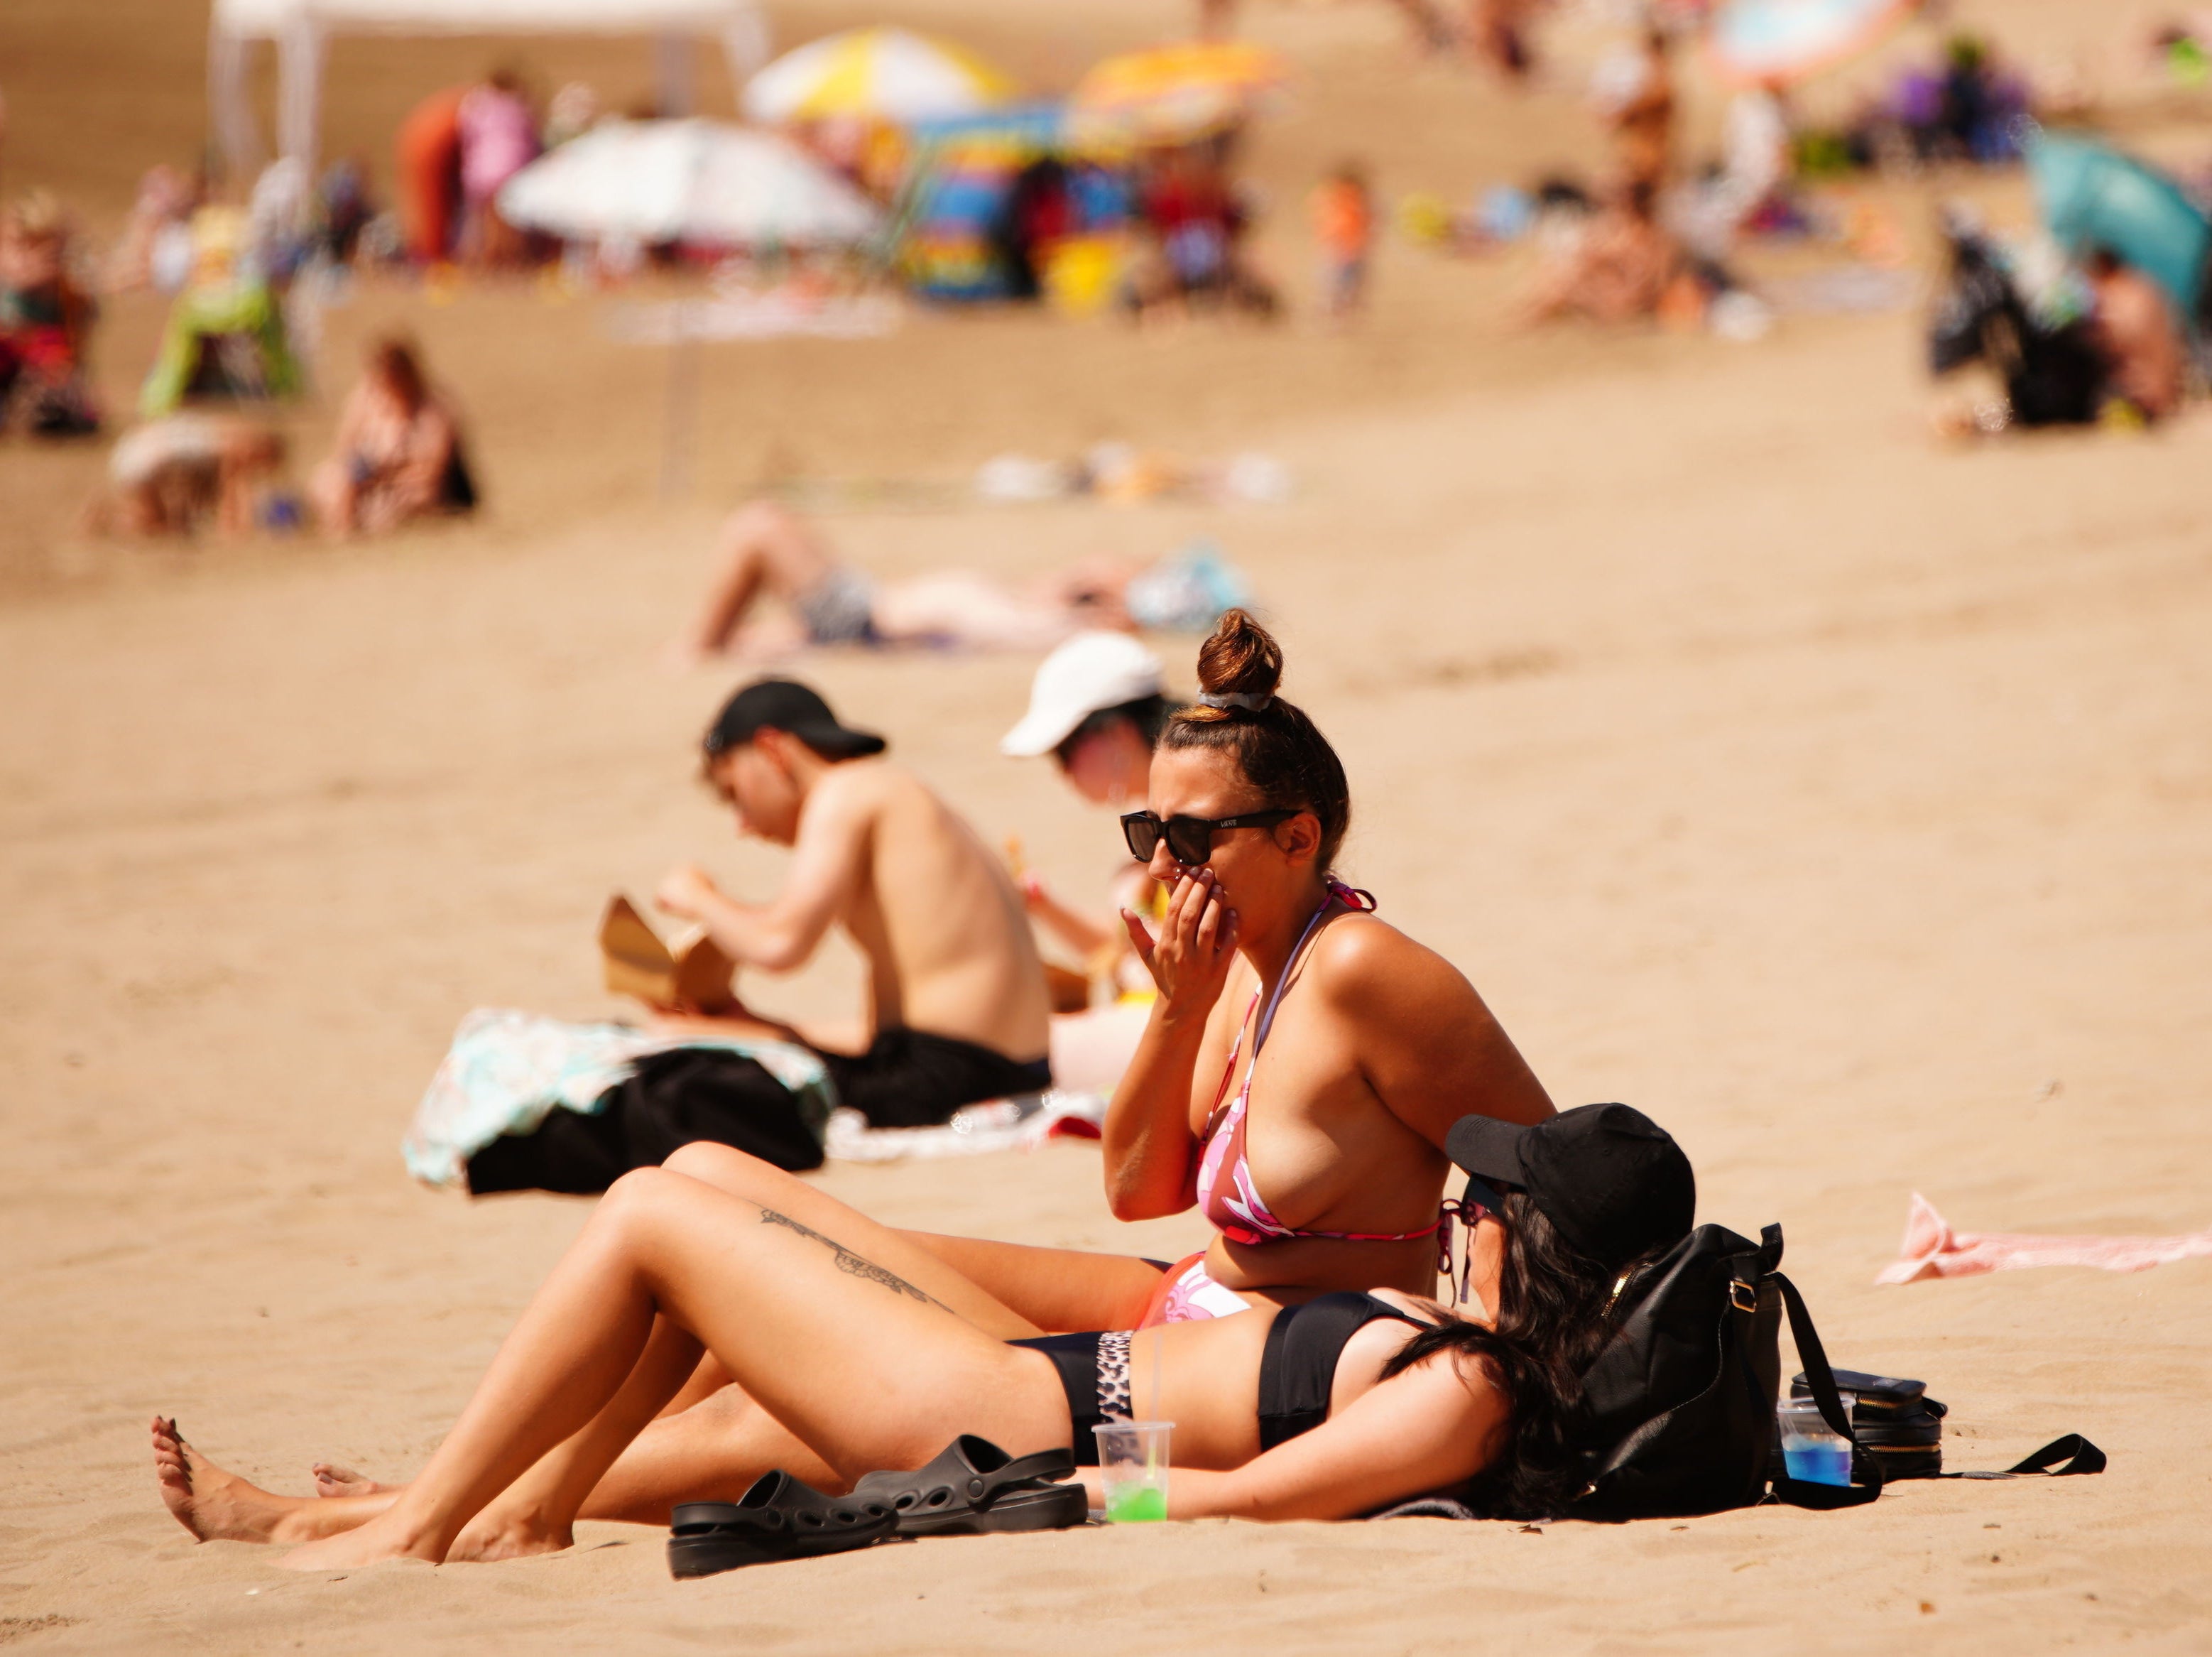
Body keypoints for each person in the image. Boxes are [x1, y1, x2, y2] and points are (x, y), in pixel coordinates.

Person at [314, 609, 1564, 1527]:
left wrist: (1474, 1347)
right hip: (1183, 1293)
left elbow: (1561, 1169)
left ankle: (429, 1509)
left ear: (1298, 837)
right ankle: (490, 1493)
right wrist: (1174, 1016)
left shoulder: (1363, 971)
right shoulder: (1236, 964)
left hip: (1269, 1349)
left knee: (763, 1378)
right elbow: (1137, 1190)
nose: (1165, 862)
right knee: (711, 1175)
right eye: (1149, 830)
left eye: (1195, 835)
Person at [151, 1103, 1696, 1561]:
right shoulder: (1464, 1344)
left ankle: (411, 1530)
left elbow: (1245, 1495)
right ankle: (444, 1505)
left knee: (642, 1211)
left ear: (1527, 1233)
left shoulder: (1471, 1392)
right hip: (1035, 1381)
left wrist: (1100, 1496)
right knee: (706, 1176)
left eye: (1481, 1193)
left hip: (1015, 1421)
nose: (1455, 1201)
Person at [463, 678, 1054, 1196]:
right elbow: (888, 1045)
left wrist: (697, 895)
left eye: (734, 794)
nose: (742, 825)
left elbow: (778, 946)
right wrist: (739, 1026)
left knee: (680, 1086)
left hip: (949, 1078)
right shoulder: (894, 796)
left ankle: (497, 1154)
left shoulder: (848, 791)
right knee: (699, 1047)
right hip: (999, 1067)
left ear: (772, 750)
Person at [1001, 631, 1182, 1092]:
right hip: (1155, 1018)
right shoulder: (1164, 817)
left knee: (1001, 1053)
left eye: (1064, 751)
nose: (1060, 771)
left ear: (1116, 732)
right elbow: (1118, 946)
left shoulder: (1189, 817)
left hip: (1179, 1025)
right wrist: (1042, 905)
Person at [675, 498, 1149, 661]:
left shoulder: (1036, 623)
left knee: (758, 525)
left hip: (863, 617)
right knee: (761, 528)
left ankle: (698, 648)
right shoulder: (1030, 598)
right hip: (865, 602)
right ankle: (707, 643)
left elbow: (955, 635)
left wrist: (1096, 620)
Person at [308, 336, 474, 537]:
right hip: (365, 482)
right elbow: (343, 449)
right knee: (332, 483)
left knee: (385, 511)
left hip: (410, 487)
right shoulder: (365, 399)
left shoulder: (435, 408)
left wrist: (389, 475)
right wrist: (364, 475)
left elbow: (433, 469)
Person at [87, 413, 287, 538]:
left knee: (159, 523)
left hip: (134, 451)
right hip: (148, 462)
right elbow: (229, 494)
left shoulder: (220, 430)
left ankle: (107, 516)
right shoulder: (233, 449)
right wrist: (233, 529)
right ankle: (108, 519)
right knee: (156, 526)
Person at [0, 191, 101, 436]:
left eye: (41, 248)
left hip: (45, 362)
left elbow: (78, 340)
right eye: (19, 245)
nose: (28, 258)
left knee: (60, 395)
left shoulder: (69, 291)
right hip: (8, 357)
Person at [1522, 178, 1683, 326]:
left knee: (1561, 281)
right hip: (1629, 299)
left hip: (1624, 302)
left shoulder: (1638, 236)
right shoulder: (1651, 235)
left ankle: (1528, 317)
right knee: (1562, 277)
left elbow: (1593, 255)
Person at [2084, 246, 2186, 423]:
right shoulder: (2147, 288)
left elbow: (2116, 342)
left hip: (2139, 396)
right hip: (2168, 392)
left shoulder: (2114, 295)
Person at [457, 68, 539, 268]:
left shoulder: (477, 106)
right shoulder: (519, 107)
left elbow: (466, 132)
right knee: (506, 225)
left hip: (480, 172)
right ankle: (503, 263)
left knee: (482, 223)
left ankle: (485, 262)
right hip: (510, 171)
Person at [1310, 161, 1375, 322]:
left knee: (1347, 285)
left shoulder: (1357, 200)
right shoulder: (1334, 198)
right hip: (1338, 247)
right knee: (1335, 284)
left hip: (1351, 247)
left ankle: (1340, 314)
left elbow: (1365, 224)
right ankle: (1333, 314)